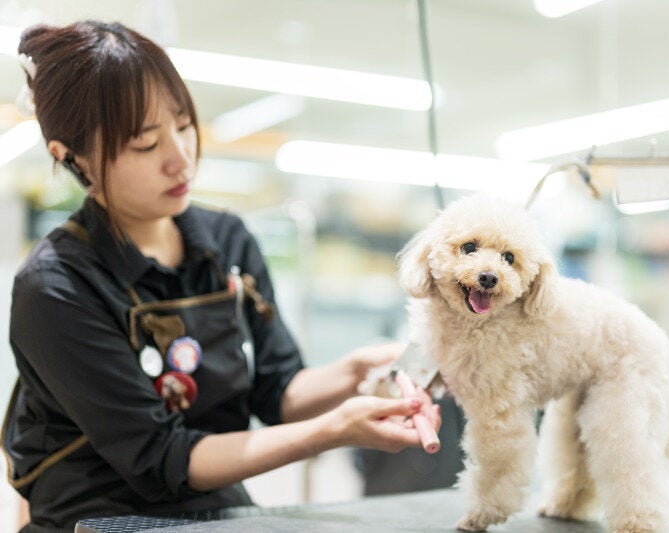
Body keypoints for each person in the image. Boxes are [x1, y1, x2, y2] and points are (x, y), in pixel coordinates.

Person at [1, 20, 440, 533]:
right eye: (145, 144)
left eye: (184, 125)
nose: (180, 157)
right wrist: (333, 431)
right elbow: (160, 456)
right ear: (71, 156)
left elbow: (277, 393)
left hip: (214, 508)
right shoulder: (57, 286)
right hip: (99, 515)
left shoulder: (226, 240)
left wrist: (358, 368)